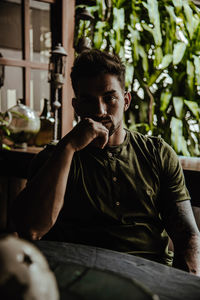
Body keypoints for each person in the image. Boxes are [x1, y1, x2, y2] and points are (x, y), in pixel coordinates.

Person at [12, 49, 200, 275]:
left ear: (126, 100)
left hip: (150, 274)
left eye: (110, 98)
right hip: (79, 275)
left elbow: (188, 236)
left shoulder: (157, 153)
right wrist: (69, 146)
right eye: (88, 100)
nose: (100, 110)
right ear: (76, 106)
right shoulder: (55, 157)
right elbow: (31, 230)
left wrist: (184, 288)